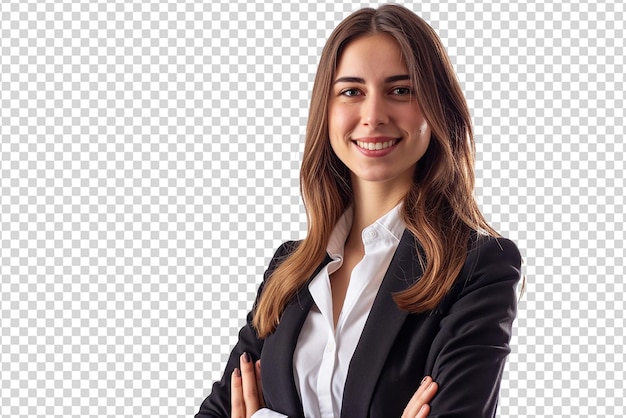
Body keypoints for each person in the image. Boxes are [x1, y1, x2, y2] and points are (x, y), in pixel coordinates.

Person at [196, 4, 522, 418]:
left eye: (400, 90)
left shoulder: (478, 268)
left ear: (437, 107)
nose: (373, 116)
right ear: (326, 110)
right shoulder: (288, 270)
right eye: (351, 91)